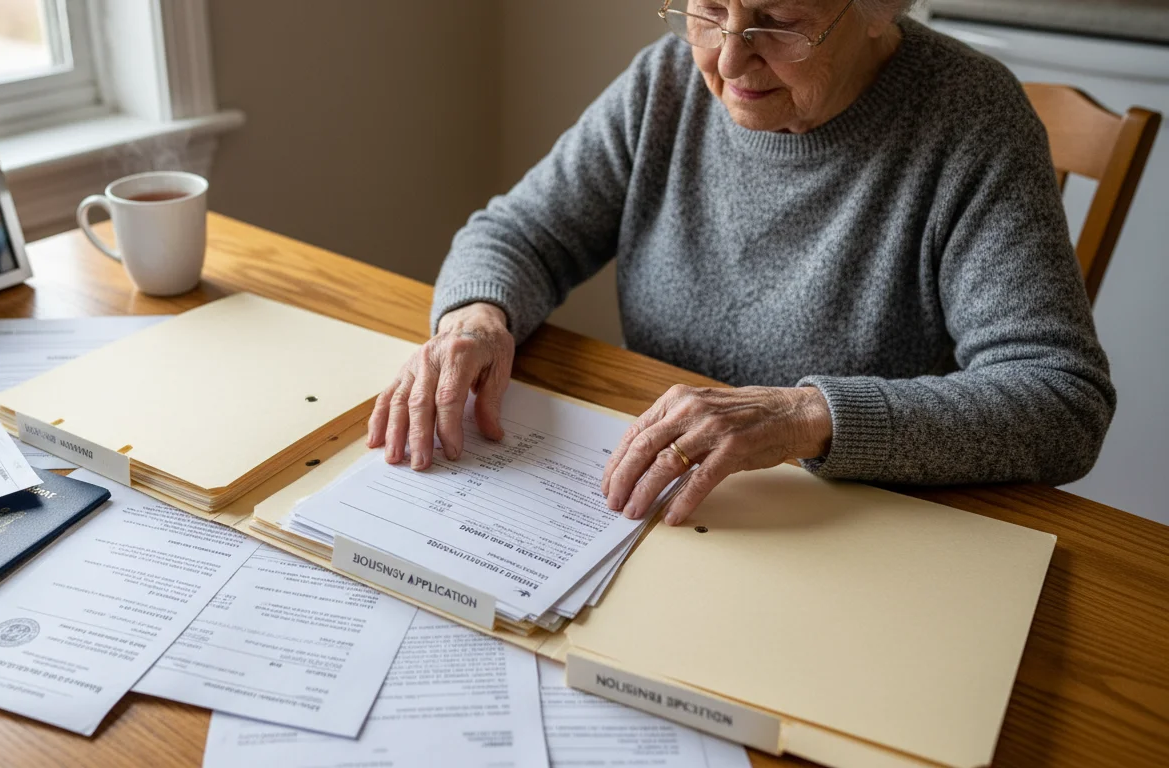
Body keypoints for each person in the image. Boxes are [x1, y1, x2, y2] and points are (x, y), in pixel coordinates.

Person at [367, 0, 1116, 527]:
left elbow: (1060, 404)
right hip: (662, 501)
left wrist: (803, 416)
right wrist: (476, 318)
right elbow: (520, 232)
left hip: (860, 527)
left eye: (778, 22)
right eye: (707, 9)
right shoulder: (664, 83)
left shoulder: (973, 118)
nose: (727, 59)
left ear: (878, 8)